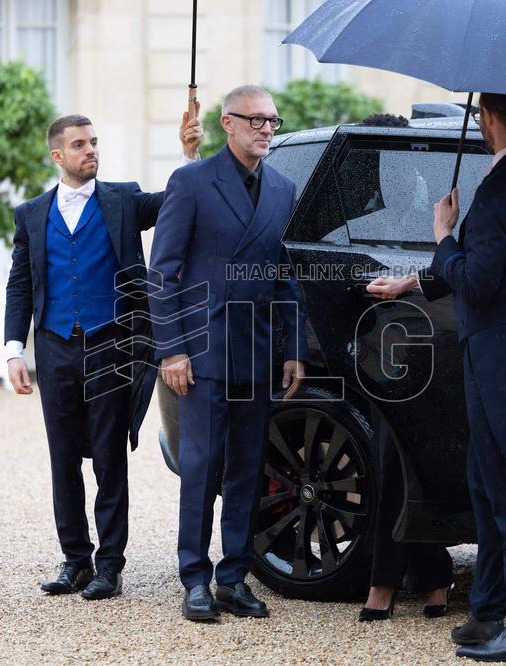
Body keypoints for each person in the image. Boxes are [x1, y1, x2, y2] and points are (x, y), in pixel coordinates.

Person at [366, 93, 506, 662]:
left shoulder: (498, 190)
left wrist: (443, 235)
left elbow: (480, 283)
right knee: (486, 488)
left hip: (500, 361)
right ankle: (486, 613)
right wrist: (419, 279)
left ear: (485, 118)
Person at [4, 110, 203, 600]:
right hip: (53, 347)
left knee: (110, 457)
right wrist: (14, 349)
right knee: (63, 457)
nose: (91, 150)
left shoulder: (121, 199)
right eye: (79, 145)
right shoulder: (31, 214)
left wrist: (188, 153)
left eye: (94, 142)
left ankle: (109, 565)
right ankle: (75, 558)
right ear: (58, 155)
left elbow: (171, 204)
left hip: (112, 342)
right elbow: (20, 285)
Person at [149, 84, 309, 622]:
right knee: (201, 467)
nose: (267, 129)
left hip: (258, 352)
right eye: (257, 120)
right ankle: (194, 577)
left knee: (247, 468)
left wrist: (293, 348)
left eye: (273, 121)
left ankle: (233, 577)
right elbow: (162, 274)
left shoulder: (284, 189)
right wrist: (172, 350)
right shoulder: (191, 182)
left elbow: (286, 276)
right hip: (200, 353)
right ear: (228, 124)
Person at [358, 112, 454, 623]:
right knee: (393, 461)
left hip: (441, 344)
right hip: (380, 347)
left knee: (419, 460)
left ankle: (407, 578)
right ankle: (405, 579)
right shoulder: (356, 205)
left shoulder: (438, 201)